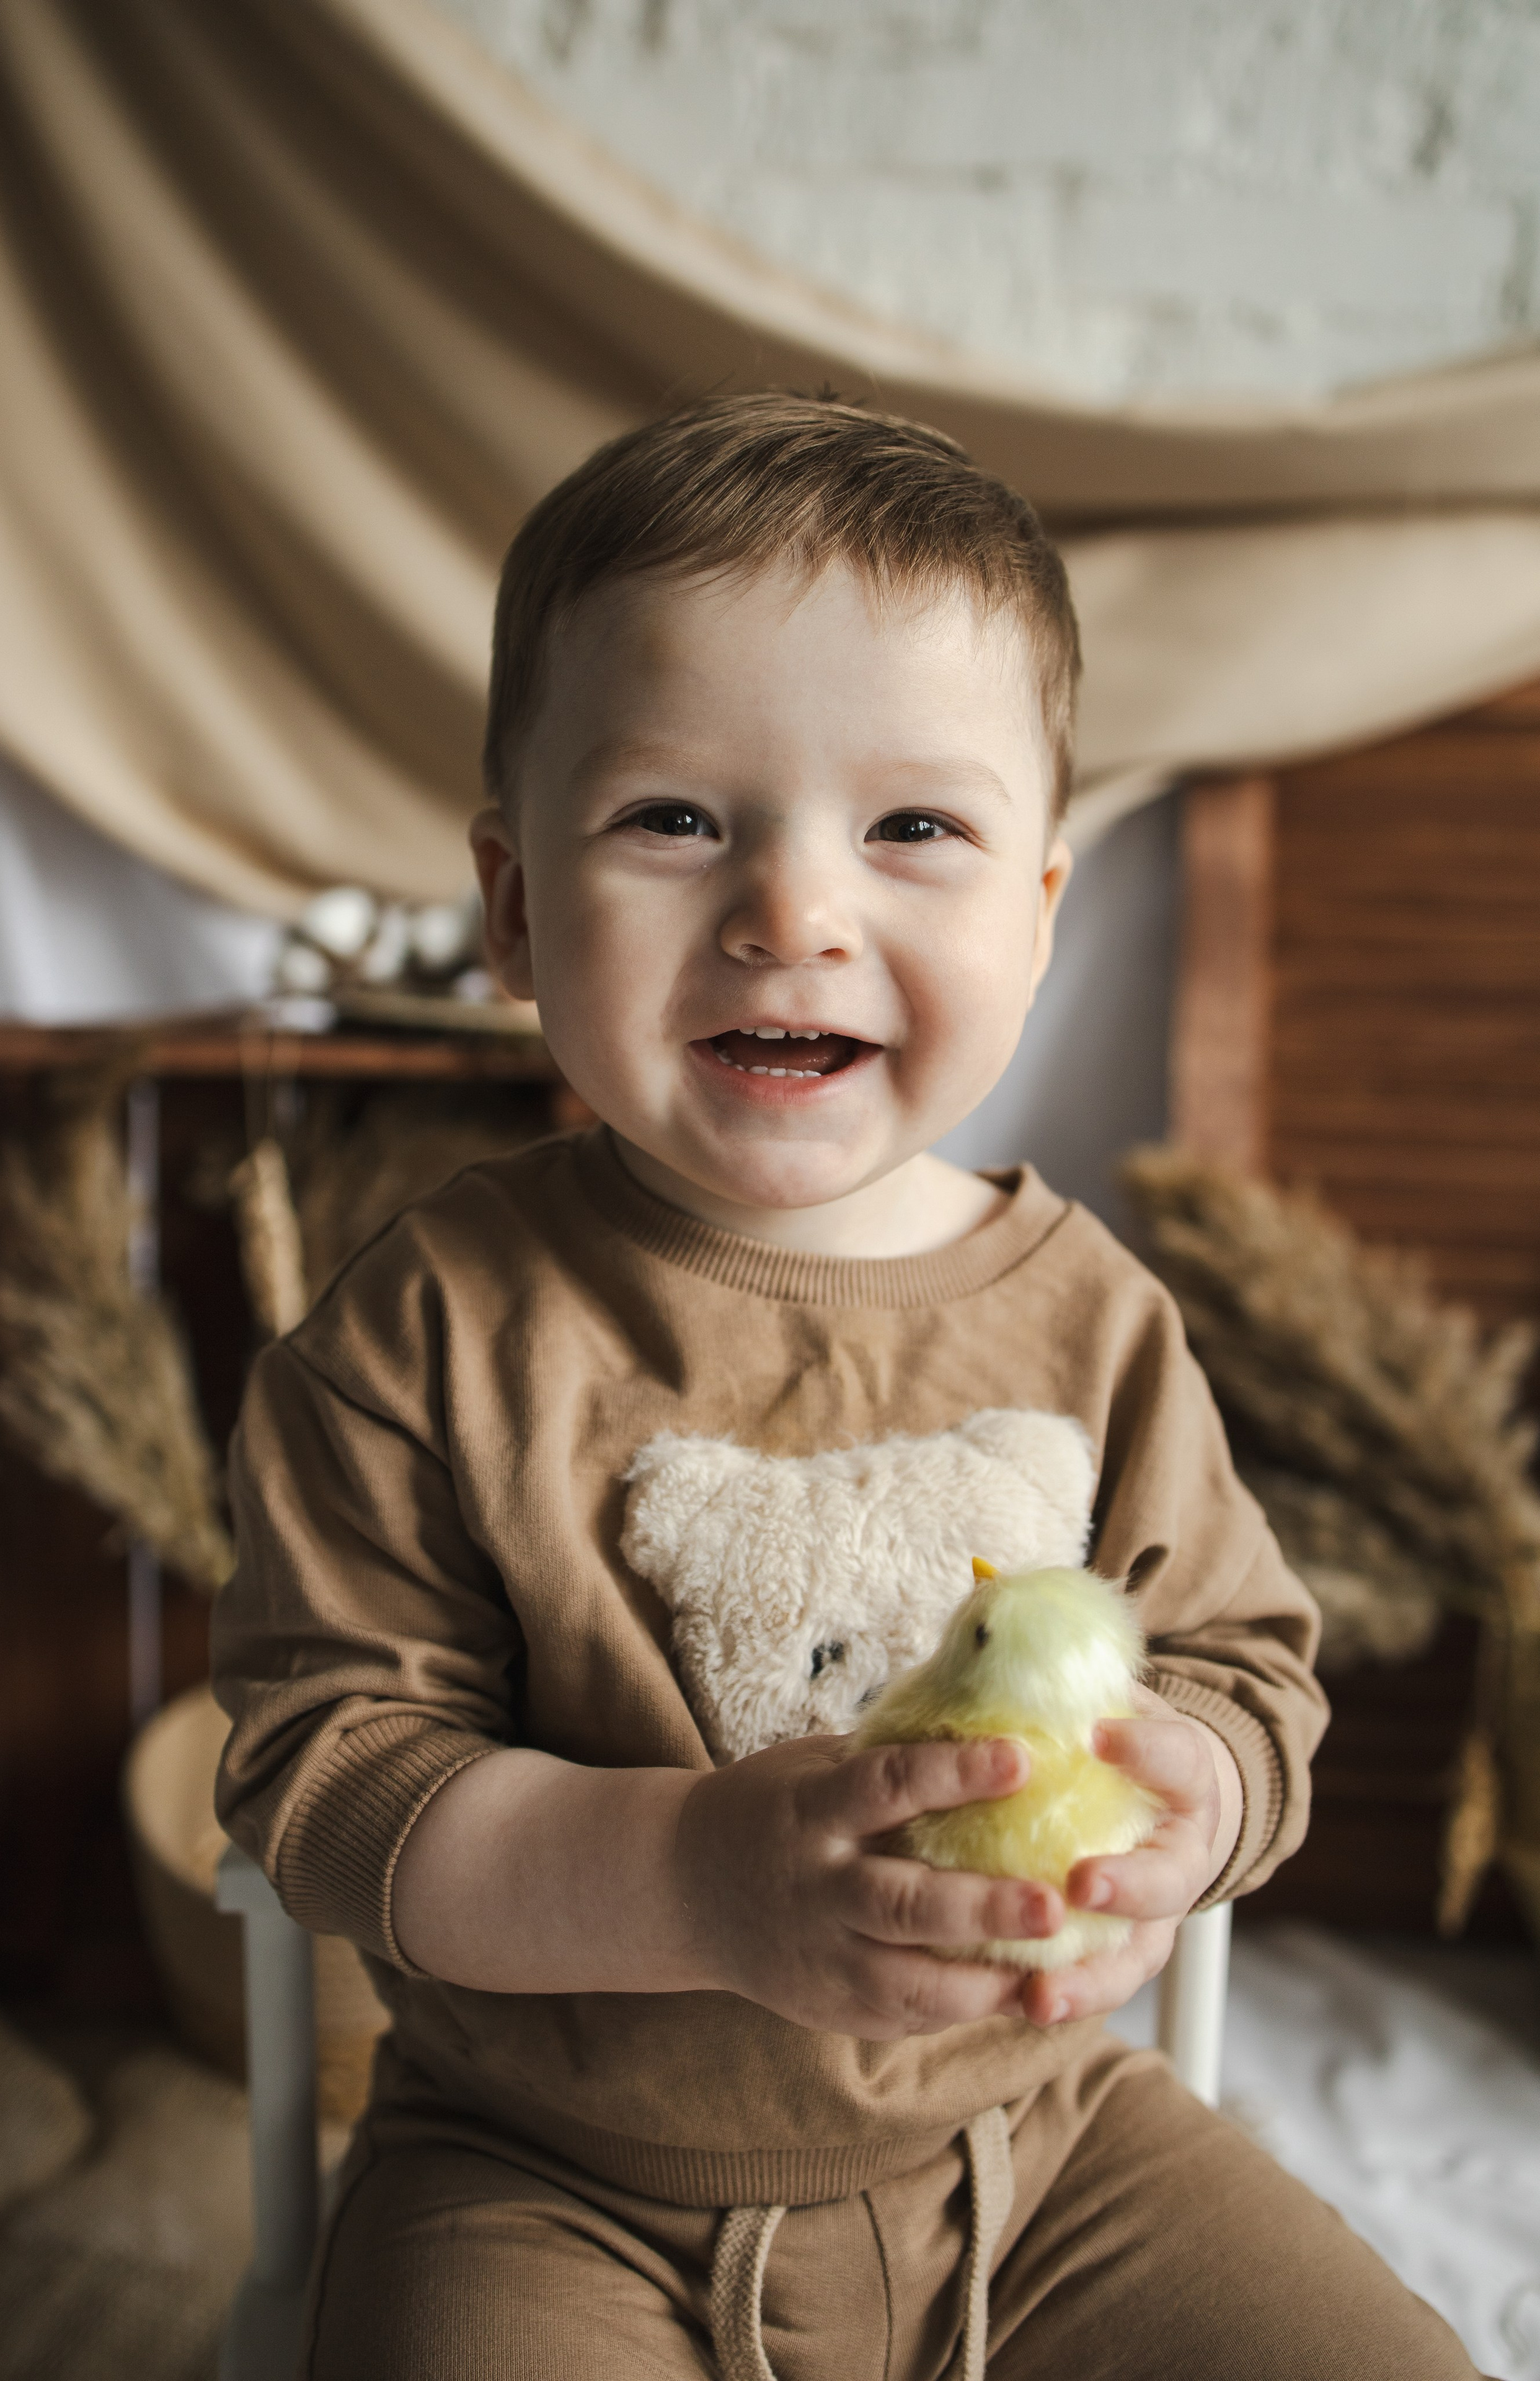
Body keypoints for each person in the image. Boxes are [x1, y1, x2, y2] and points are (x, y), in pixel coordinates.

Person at [213, 393, 1480, 2380]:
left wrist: (1198, 1795)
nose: (794, 915)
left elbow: (1247, 1666)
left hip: (1036, 2147)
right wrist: (693, 1881)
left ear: (1037, 915)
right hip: (548, 2177)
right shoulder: (425, 1331)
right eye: (674, 819)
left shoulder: (1094, 1319)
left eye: (913, 829)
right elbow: (328, 1779)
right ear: (517, 908)